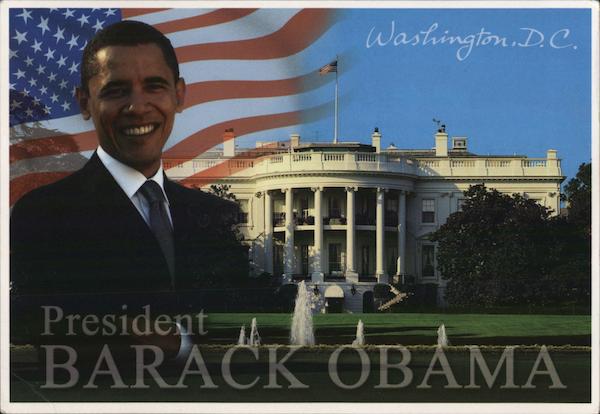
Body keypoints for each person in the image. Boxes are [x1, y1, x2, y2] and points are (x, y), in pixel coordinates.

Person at [10, 21, 248, 321]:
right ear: (84, 102)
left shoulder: (214, 216)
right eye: (116, 91)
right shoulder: (44, 215)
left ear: (178, 95)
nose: (137, 107)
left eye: (154, 86)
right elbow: (41, 332)